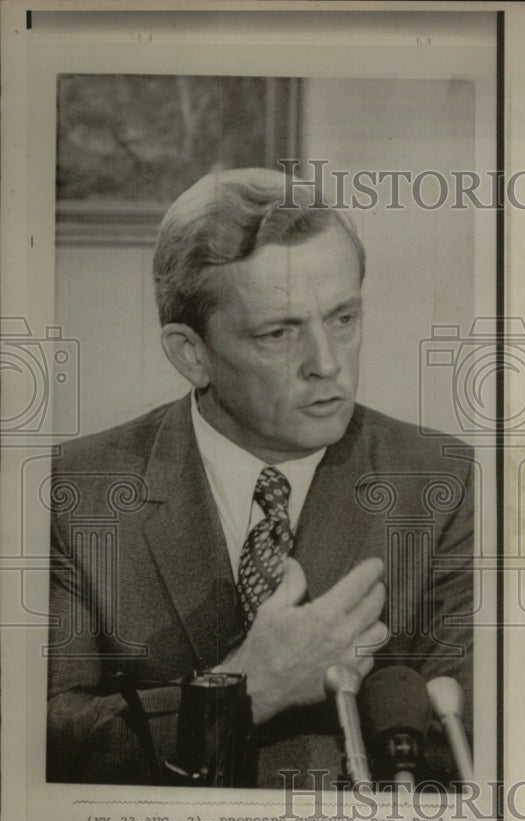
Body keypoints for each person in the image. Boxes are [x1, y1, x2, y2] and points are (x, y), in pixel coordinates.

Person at [46, 168, 474, 788]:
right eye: (279, 333)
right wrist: (250, 686)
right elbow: (49, 747)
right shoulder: (74, 493)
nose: (327, 365)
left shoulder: (441, 482)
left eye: (344, 319)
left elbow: (472, 738)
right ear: (191, 353)